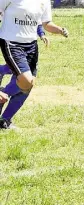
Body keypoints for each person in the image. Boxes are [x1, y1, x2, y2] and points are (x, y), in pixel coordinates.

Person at [0, 0, 69, 129]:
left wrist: (60, 30)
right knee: (26, 81)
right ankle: (3, 92)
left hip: (31, 46)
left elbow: (46, 23)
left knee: (27, 86)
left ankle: (5, 120)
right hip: (11, 43)